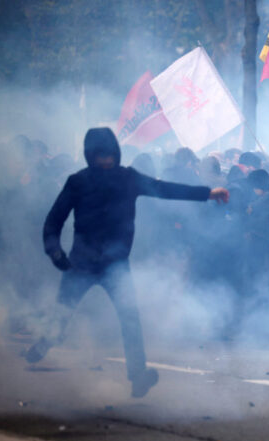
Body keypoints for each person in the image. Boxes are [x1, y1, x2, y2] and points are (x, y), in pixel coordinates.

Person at [23, 128, 229, 397]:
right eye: (100, 155)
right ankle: (47, 340)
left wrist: (207, 194)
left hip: (115, 264)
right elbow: (53, 221)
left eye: (109, 155)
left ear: (116, 154)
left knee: (130, 319)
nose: (106, 161)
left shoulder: (126, 179)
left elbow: (163, 189)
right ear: (91, 155)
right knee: (63, 314)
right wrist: (55, 252)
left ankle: (138, 375)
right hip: (82, 263)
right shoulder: (79, 182)